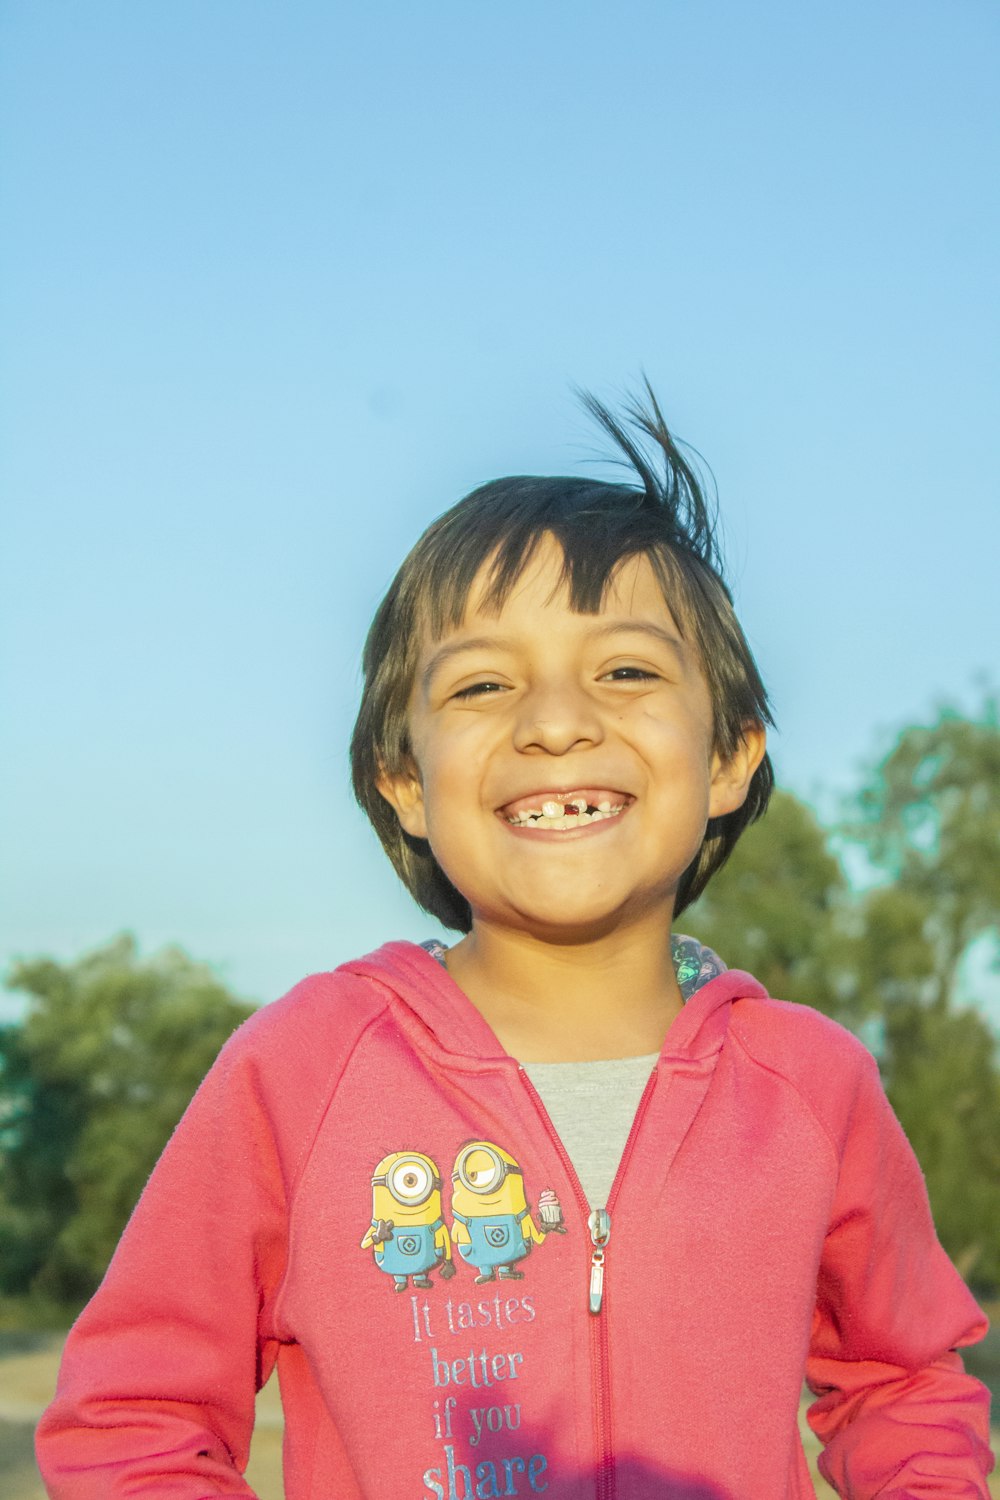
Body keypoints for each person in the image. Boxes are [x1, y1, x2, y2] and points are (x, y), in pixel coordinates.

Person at [36, 388, 994, 1498]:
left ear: (731, 754)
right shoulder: (302, 1073)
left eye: (625, 671)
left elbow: (903, 1381)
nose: (553, 721)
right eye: (483, 684)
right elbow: (134, 1415)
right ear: (403, 781)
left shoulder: (809, 1086)